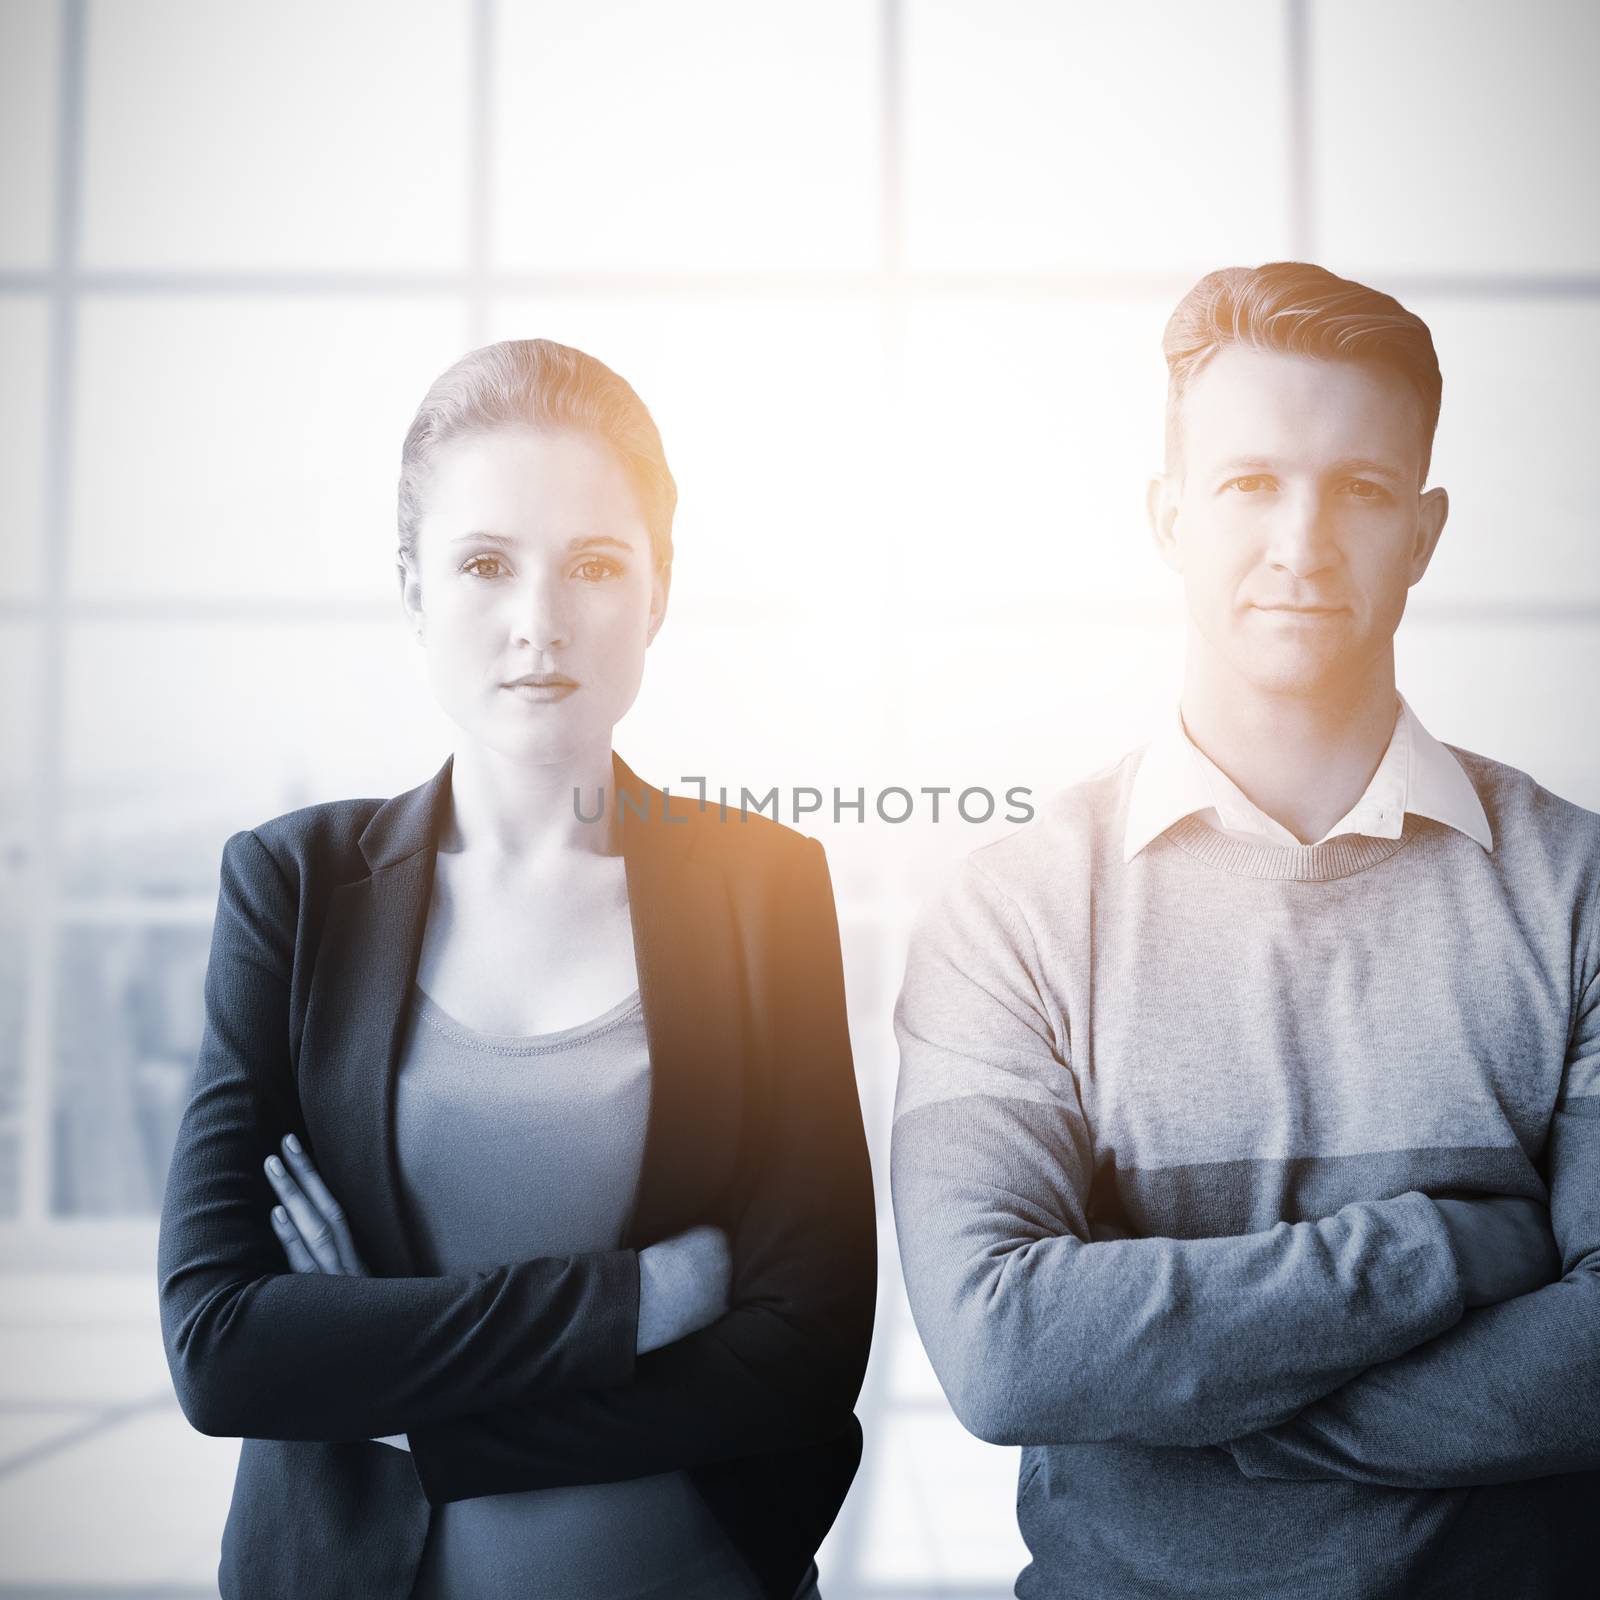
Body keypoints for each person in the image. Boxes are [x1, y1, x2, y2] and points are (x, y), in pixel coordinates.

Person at [891, 262, 1599, 1598]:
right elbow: (1000, 1352)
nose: (1302, 541)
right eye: (1248, 483)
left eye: (1362, 491)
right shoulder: (1018, 911)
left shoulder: (1580, 890)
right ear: (1167, 517)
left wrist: (1195, 1412)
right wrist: (1444, 1249)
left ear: (1427, 532)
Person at [157, 338, 876, 1600]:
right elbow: (224, 1350)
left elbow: (805, 1353)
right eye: (485, 563)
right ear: (413, 587)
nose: (539, 623)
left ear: (658, 590)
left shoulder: (766, 888)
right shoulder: (295, 888)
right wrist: (641, 1299)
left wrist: (392, 1389)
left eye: (596, 565)